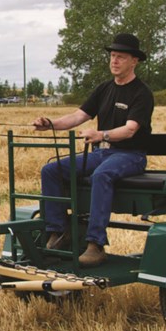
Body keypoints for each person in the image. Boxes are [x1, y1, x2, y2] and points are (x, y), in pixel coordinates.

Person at [31, 33, 154, 267]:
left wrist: (101, 135)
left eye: (120, 57)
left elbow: (130, 130)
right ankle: (58, 231)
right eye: (112, 56)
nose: (114, 61)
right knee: (51, 170)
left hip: (131, 155)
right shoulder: (104, 89)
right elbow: (79, 116)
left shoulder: (141, 93)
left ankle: (96, 244)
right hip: (102, 153)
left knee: (102, 175)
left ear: (134, 61)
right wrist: (51, 124)